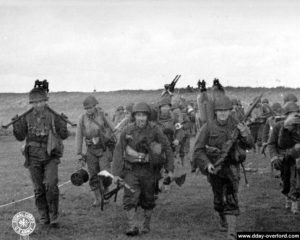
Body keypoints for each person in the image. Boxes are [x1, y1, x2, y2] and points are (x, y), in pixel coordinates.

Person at [193, 95, 253, 240]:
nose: (223, 113)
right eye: (220, 111)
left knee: (231, 197)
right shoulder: (208, 127)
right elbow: (198, 150)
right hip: (215, 168)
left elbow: (249, 145)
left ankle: (231, 232)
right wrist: (207, 164)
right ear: (215, 112)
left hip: (232, 167)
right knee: (219, 200)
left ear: (230, 111)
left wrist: (245, 133)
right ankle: (222, 217)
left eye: (226, 110)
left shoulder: (237, 124)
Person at [112, 102, 174, 236]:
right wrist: (116, 174)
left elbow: (167, 148)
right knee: (130, 197)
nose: (141, 118)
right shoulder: (127, 130)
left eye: (143, 115)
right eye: (138, 115)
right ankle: (131, 226)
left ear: (147, 116)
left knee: (148, 199)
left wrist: (169, 169)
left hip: (149, 171)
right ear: (134, 116)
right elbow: (118, 150)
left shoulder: (155, 129)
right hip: (131, 170)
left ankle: (146, 225)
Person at [12, 84, 68, 227]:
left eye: (41, 101)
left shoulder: (53, 115)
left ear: (45, 101)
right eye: (35, 102)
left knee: (51, 185)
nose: (38, 105)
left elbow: (63, 135)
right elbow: (20, 137)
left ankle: (54, 216)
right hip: (33, 157)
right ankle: (44, 216)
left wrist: (62, 123)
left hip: (50, 156)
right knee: (38, 189)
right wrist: (16, 125)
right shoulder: (26, 116)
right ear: (32, 103)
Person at [76, 95, 114, 207]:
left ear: (95, 106)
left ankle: (106, 192)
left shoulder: (102, 114)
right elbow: (79, 136)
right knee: (93, 174)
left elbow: (113, 128)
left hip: (103, 148)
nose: (89, 110)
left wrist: (106, 136)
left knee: (105, 173)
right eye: (86, 108)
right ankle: (97, 198)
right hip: (91, 150)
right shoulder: (82, 118)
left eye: (91, 107)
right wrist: (79, 153)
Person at [268, 102, 300, 213]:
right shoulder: (279, 126)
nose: (294, 116)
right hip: (283, 157)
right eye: (291, 113)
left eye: (296, 113)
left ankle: (295, 201)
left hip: (297, 156)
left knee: (295, 178)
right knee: (286, 179)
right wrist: (274, 157)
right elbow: (272, 144)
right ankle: (288, 196)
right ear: (285, 115)